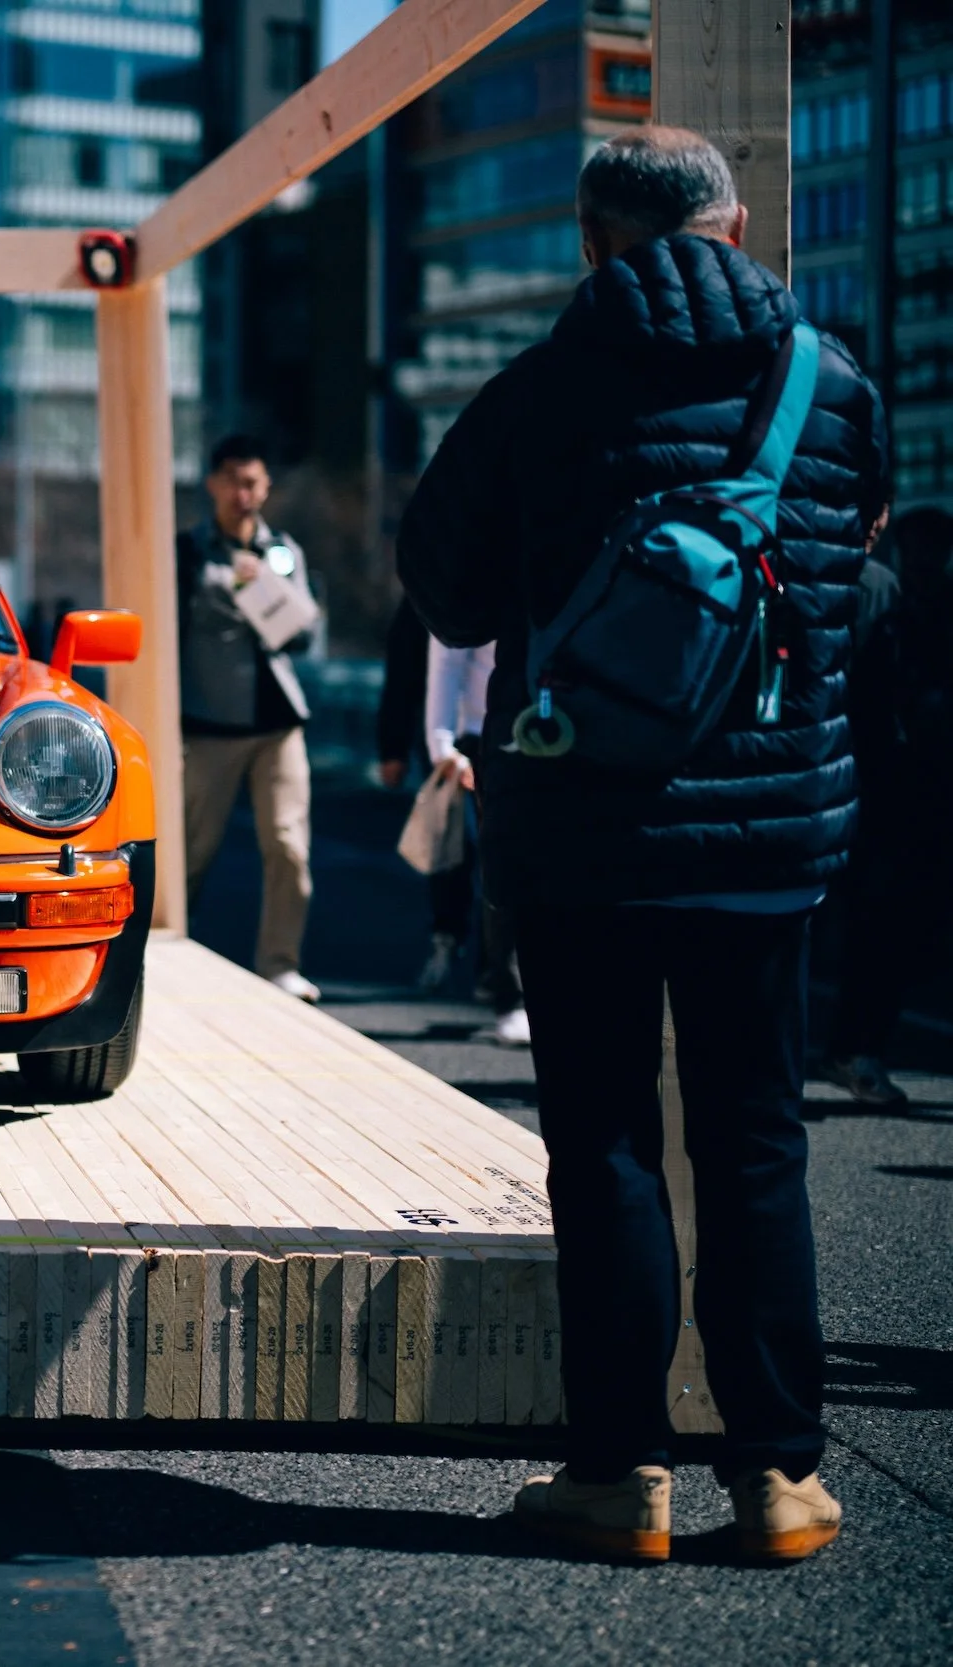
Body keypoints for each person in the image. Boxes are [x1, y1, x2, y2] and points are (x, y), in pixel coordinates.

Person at [399, 128, 885, 1563]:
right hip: (768, 828)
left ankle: (620, 1476)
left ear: (590, 241)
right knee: (754, 1142)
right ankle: (782, 1475)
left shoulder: (537, 393)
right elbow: (856, 570)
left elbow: (452, 593)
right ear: (735, 227)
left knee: (604, 1144)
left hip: (583, 830)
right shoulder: (831, 383)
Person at [817, 506, 953, 1103]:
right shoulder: (889, 603)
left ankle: (858, 1043)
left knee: (891, 921)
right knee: (879, 919)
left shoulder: (911, 604)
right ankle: (854, 1044)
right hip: (885, 778)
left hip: (909, 779)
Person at [178, 433, 321, 1001]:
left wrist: (264, 586)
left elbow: (305, 634)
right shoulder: (187, 553)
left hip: (277, 722)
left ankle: (280, 963)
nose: (245, 494)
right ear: (213, 483)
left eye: (255, 483)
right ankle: (165, 955)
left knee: (289, 844)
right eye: (235, 481)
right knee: (191, 851)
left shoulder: (281, 551)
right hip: (208, 723)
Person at [424, 639, 528, 1045]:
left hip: (565, 729)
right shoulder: (491, 577)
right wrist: (441, 743)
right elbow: (447, 656)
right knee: (502, 863)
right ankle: (511, 995)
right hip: (486, 736)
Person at [377, 603, 476, 990]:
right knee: (453, 843)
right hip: (443, 737)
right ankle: (447, 936)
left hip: (499, 730)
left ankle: (497, 971)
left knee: (497, 850)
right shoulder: (429, 590)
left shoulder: (515, 574)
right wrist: (392, 747)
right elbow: (402, 674)